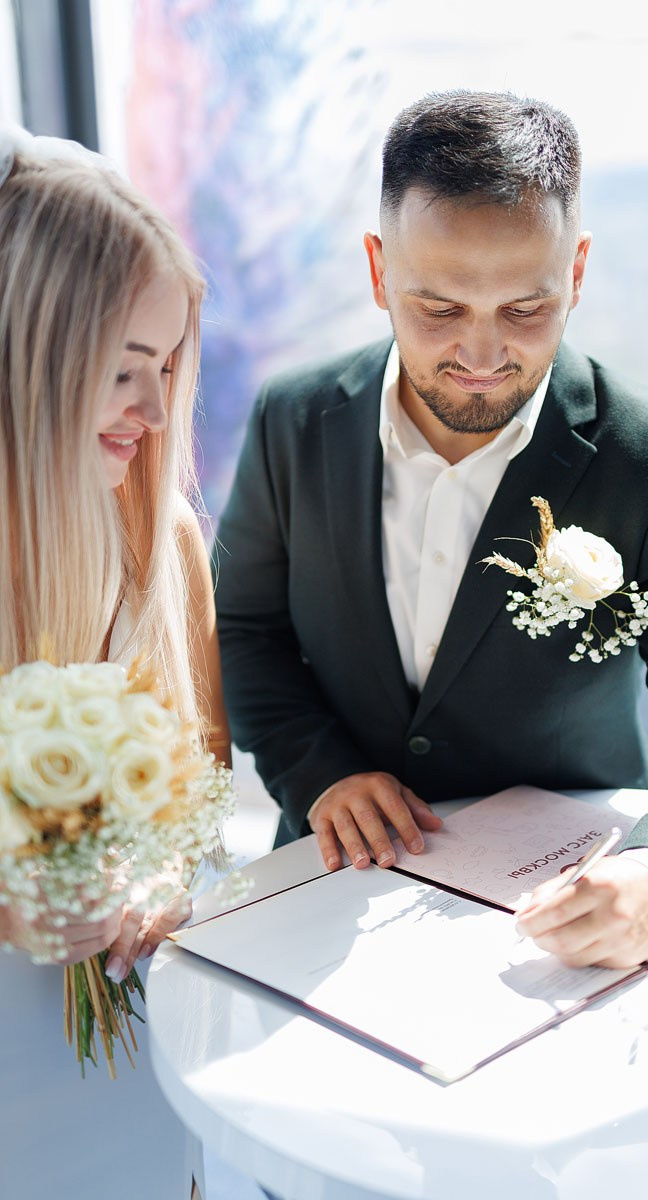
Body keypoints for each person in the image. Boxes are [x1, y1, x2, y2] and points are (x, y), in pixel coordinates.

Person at [214, 90, 648, 971]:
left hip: (566, 911)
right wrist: (318, 771)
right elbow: (248, 631)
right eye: (440, 309)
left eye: (524, 310)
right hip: (329, 888)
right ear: (378, 273)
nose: (482, 358)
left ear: (577, 272)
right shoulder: (292, 419)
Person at [0, 126, 229, 1200]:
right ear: (33, 359)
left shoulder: (162, 538)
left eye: (166, 368)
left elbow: (204, 789)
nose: (151, 409)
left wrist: (161, 884)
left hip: (135, 1049)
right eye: (122, 368)